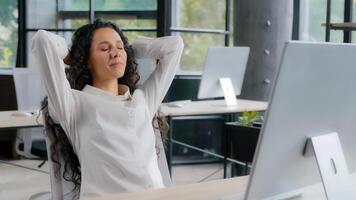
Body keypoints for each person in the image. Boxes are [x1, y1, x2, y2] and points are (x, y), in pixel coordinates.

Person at [31, 19, 183, 199]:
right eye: (104, 49)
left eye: (119, 48)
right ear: (86, 60)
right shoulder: (72, 104)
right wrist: (72, 55)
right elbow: (42, 41)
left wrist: (131, 50)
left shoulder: (143, 99)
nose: (115, 54)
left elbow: (175, 46)